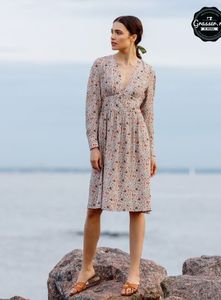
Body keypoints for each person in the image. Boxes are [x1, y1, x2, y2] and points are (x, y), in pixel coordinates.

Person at [69, 15, 158, 297]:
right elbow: (91, 107)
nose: (112, 36)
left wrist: (152, 152)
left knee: (137, 207)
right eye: (111, 31)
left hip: (136, 142)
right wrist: (93, 145)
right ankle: (87, 268)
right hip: (107, 140)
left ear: (133, 37)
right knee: (94, 205)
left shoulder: (148, 72)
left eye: (118, 32)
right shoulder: (101, 65)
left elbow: (148, 114)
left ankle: (134, 271)